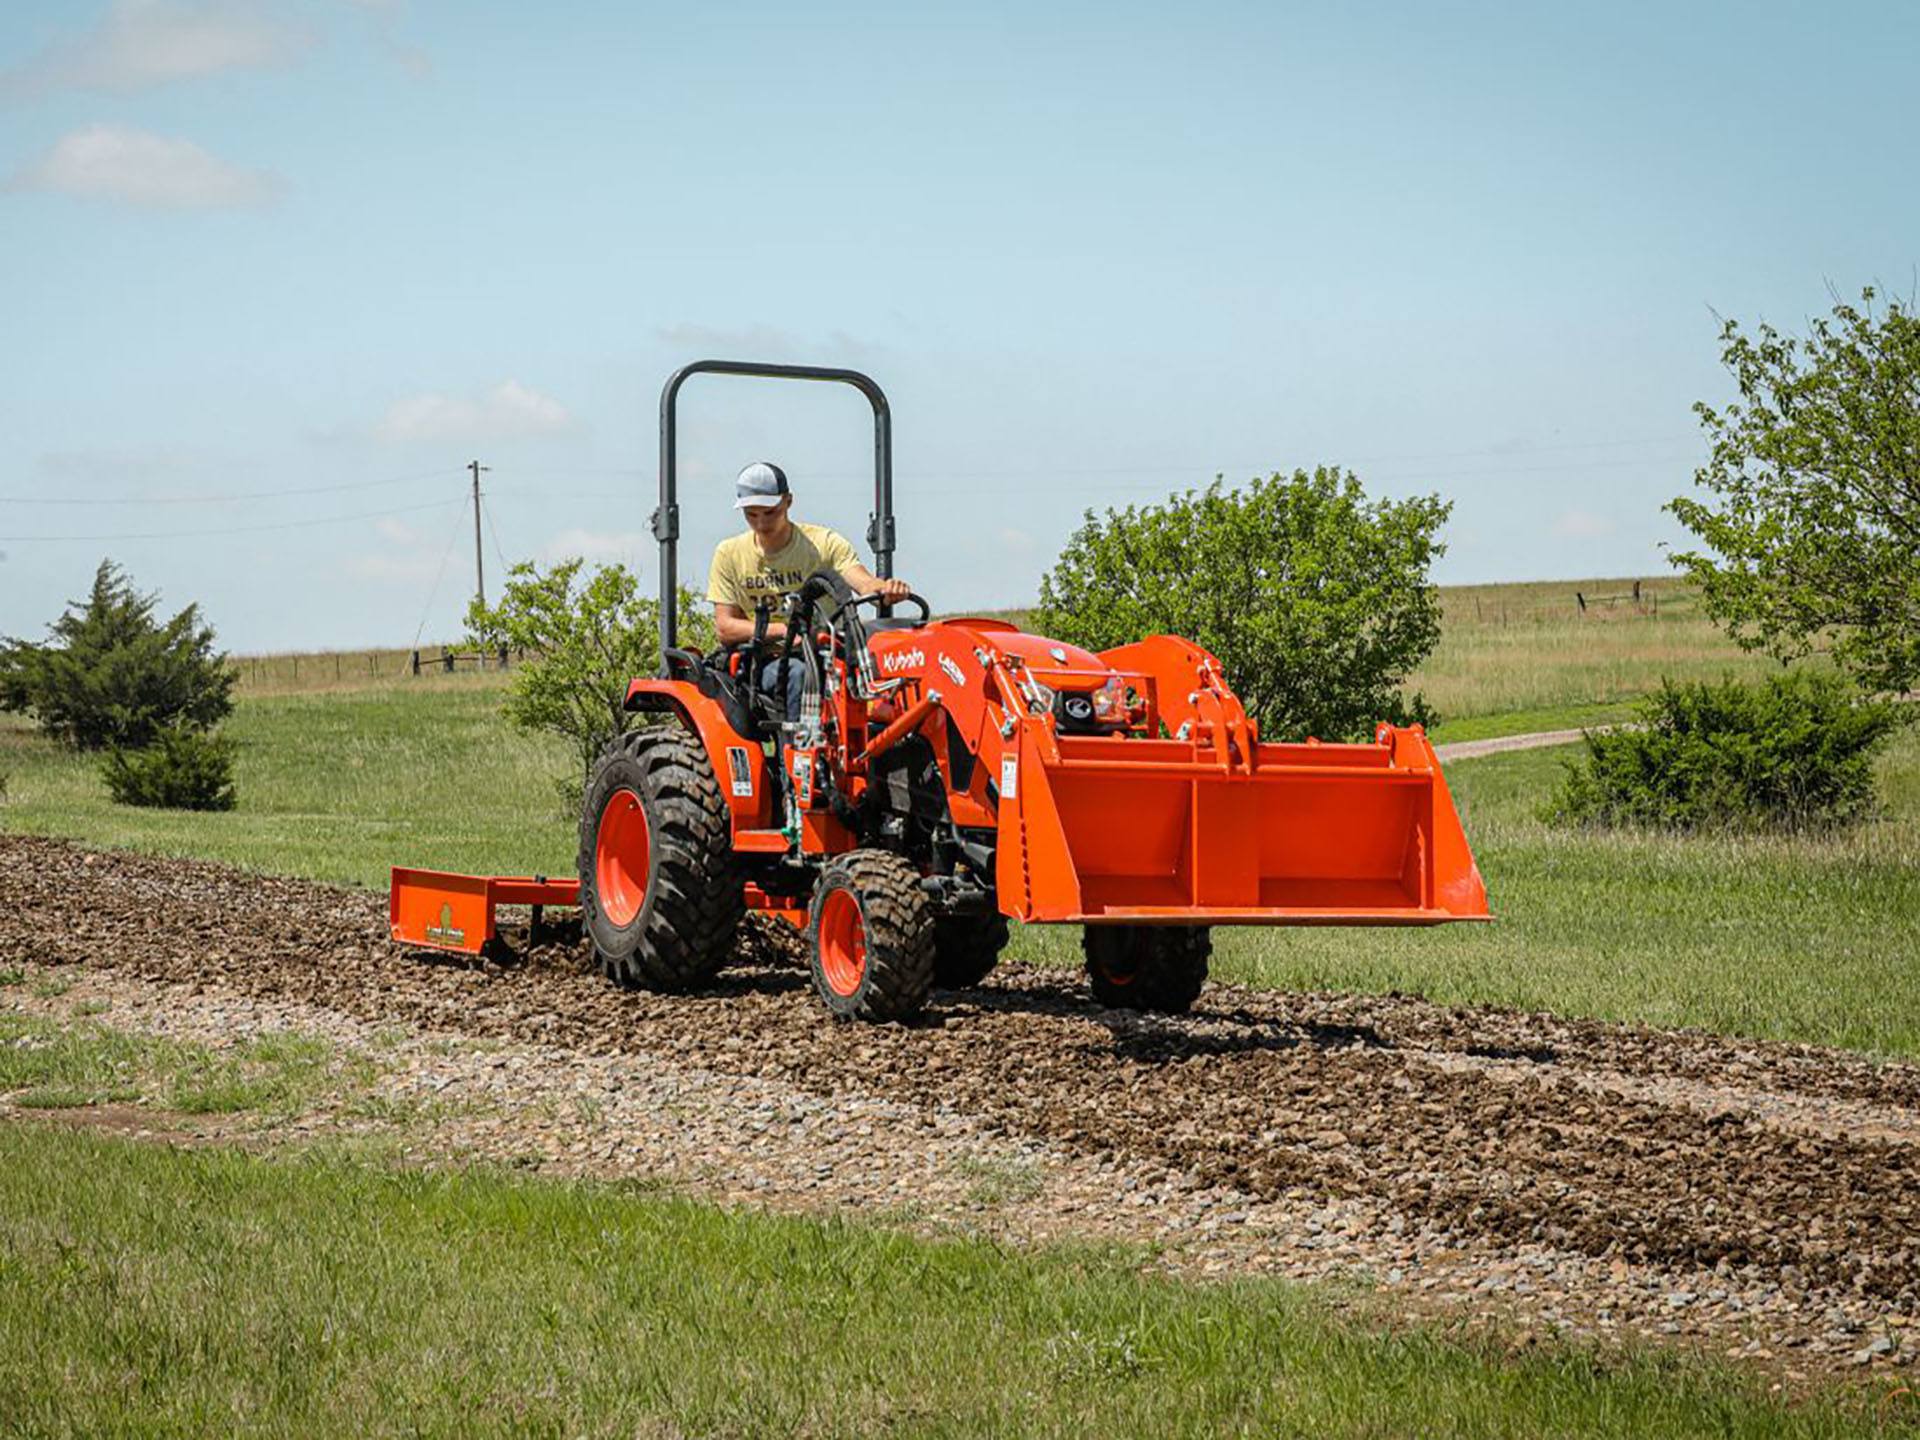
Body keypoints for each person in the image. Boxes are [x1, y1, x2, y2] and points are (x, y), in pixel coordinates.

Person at [707, 461, 911, 724]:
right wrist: (785, 631)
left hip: (830, 650)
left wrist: (885, 588)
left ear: (788, 501)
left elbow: (861, 581)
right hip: (771, 659)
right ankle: (798, 756)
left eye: (769, 512)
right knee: (799, 676)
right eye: (751, 514)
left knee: (892, 669)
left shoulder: (823, 544)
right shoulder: (729, 554)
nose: (760, 523)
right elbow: (725, 626)